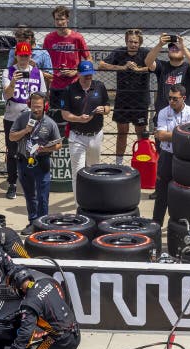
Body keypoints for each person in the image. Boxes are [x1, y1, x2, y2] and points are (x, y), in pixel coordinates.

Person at [9, 92, 62, 235]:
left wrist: (47, 148)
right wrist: (26, 130)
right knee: (29, 195)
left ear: (45, 106)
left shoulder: (50, 123)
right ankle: (32, 222)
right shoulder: (22, 119)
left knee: (42, 196)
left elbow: (59, 145)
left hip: (42, 161)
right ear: (29, 105)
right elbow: (11, 136)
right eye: (33, 106)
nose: (36, 109)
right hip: (24, 161)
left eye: (39, 106)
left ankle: (43, 224)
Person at [98, 29, 151, 165]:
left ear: (140, 43)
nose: (133, 44)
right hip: (122, 99)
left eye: (135, 42)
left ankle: (141, 160)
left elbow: (154, 67)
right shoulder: (119, 52)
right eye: (130, 41)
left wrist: (139, 69)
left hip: (140, 99)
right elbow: (101, 65)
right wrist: (123, 67)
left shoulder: (145, 53)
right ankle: (119, 162)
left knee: (141, 132)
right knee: (122, 132)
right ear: (126, 41)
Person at [3, 41, 47, 200]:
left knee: (32, 150)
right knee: (13, 153)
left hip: (32, 118)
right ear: (16, 55)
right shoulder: (8, 72)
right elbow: (7, 95)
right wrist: (14, 81)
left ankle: (31, 183)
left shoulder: (38, 73)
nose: (23, 59)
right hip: (13, 118)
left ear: (30, 56)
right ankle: (12, 184)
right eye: (21, 55)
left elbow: (43, 96)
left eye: (26, 55)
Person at [62, 60, 110, 197]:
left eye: (90, 74)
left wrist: (104, 109)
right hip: (77, 135)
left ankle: (93, 199)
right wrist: (79, 119)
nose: (88, 77)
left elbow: (108, 106)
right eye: (85, 75)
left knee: (94, 169)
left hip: (95, 135)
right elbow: (64, 114)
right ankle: (80, 204)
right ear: (78, 74)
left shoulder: (99, 86)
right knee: (78, 172)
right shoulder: (69, 89)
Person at [152, 84, 190, 227]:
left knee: (182, 193)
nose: (171, 101)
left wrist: (170, 135)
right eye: (169, 98)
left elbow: (189, 137)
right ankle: (156, 225)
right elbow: (160, 135)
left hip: (183, 158)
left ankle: (180, 226)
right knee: (161, 194)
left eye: (175, 99)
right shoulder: (163, 112)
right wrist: (179, 134)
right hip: (166, 155)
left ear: (183, 98)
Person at [43, 5, 90, 110]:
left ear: (67, 19)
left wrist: (76, 71)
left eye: (62, 19)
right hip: (55, 83)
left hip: (74, 83)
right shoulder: (49, 38)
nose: (59, 22)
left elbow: (88, 60)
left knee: (75, 115)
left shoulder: (77, 38)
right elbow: (44, 60)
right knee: (56, 116)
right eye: (57, 19)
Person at [145, 34, 190, 116]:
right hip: (163, 113)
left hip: (184, 114)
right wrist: (160, 44)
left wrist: (184, 48)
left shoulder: (188, 68)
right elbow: (148, 62)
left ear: (184, 53)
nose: (174, 49)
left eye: (177, 48)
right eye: (172, 48)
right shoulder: (162, 66)